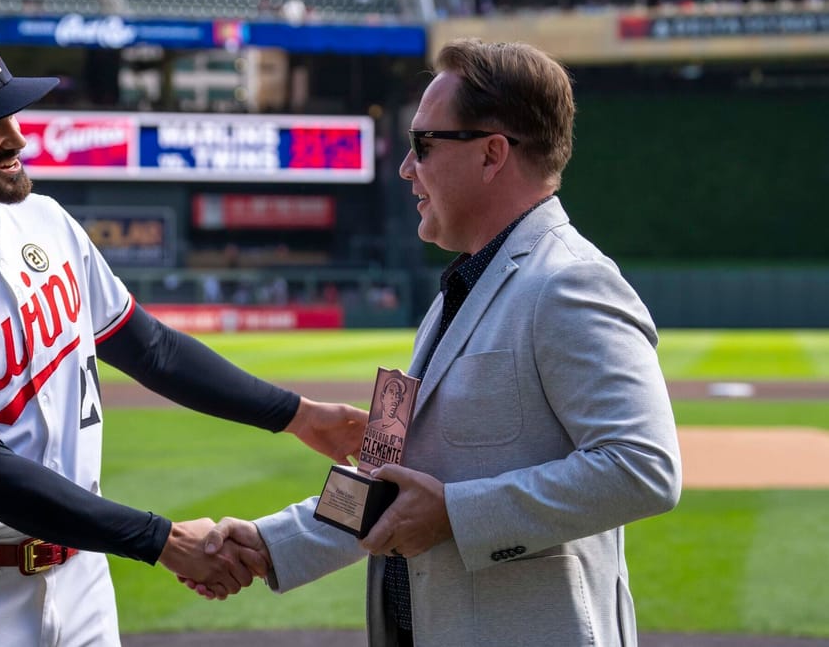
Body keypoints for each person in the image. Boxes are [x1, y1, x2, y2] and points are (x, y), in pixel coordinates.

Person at [0, 26, 367, 647]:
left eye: (12, 112)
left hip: (83, 587)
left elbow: (149, 347)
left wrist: (297, 416)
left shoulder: (43, 221)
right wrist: (162, 541)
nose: (17, 137)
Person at [188, 38, 683, 647]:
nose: (405, 168)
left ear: (491, 154)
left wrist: (454, 513)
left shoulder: (569, 280)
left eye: (423, 144)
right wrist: (269, 544)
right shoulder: (457, 293)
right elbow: (384, 481)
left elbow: (644, 467)